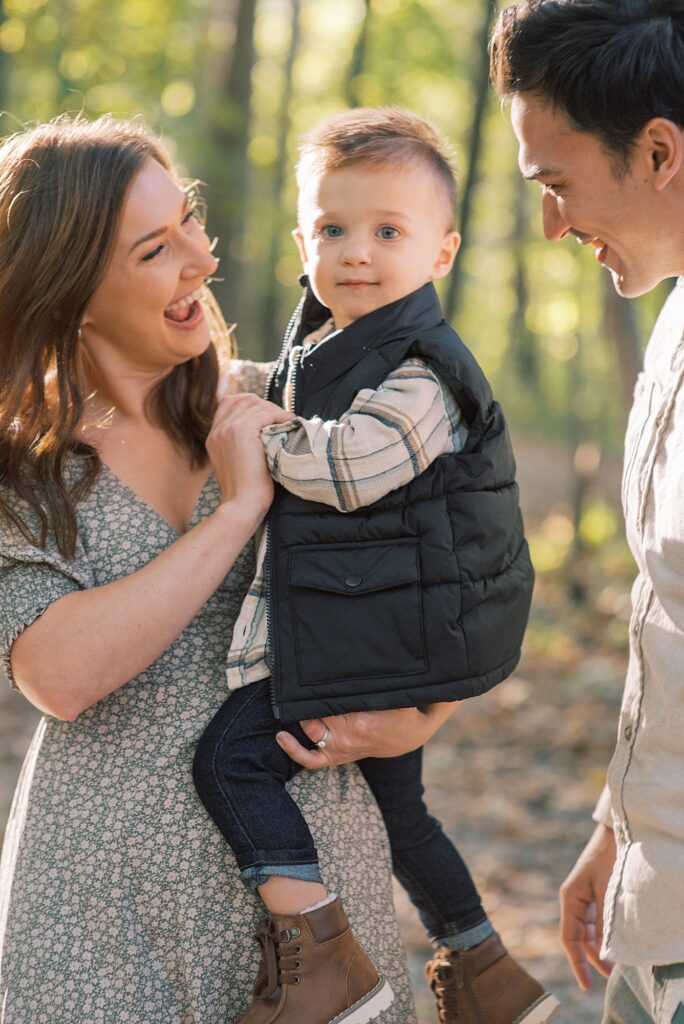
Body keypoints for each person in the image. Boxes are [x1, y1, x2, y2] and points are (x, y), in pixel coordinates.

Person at [0, 114, 427, 1024]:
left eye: (188, 217)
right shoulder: (24, 469)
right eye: (157, 248)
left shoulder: (298, 409)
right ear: (71, 291)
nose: (202, 258)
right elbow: (59, 675)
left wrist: (425, 711)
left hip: (316, 885)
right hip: (104, 917)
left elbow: (444, 558)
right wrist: (237, 512)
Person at [192, 107, 557, 1024]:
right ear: (301, 239)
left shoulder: (428, 369)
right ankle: (485, 973)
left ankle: (321, 955)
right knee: (402, 814)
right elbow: (281, 386)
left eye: (388, 231)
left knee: (232, 760)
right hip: (384, 625)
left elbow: (355, 464)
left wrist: (258, 439)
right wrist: (227, 387)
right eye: (333, 228)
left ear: (442, 252)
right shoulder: (329, 346)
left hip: (380, 636)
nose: (357, 252)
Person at [489, 2, 684, 1022]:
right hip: (657, 905)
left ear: (659, 151)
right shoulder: (672, 321)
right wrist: (620, 821)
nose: (554, 226)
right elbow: (670, 612)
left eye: (557, 184)